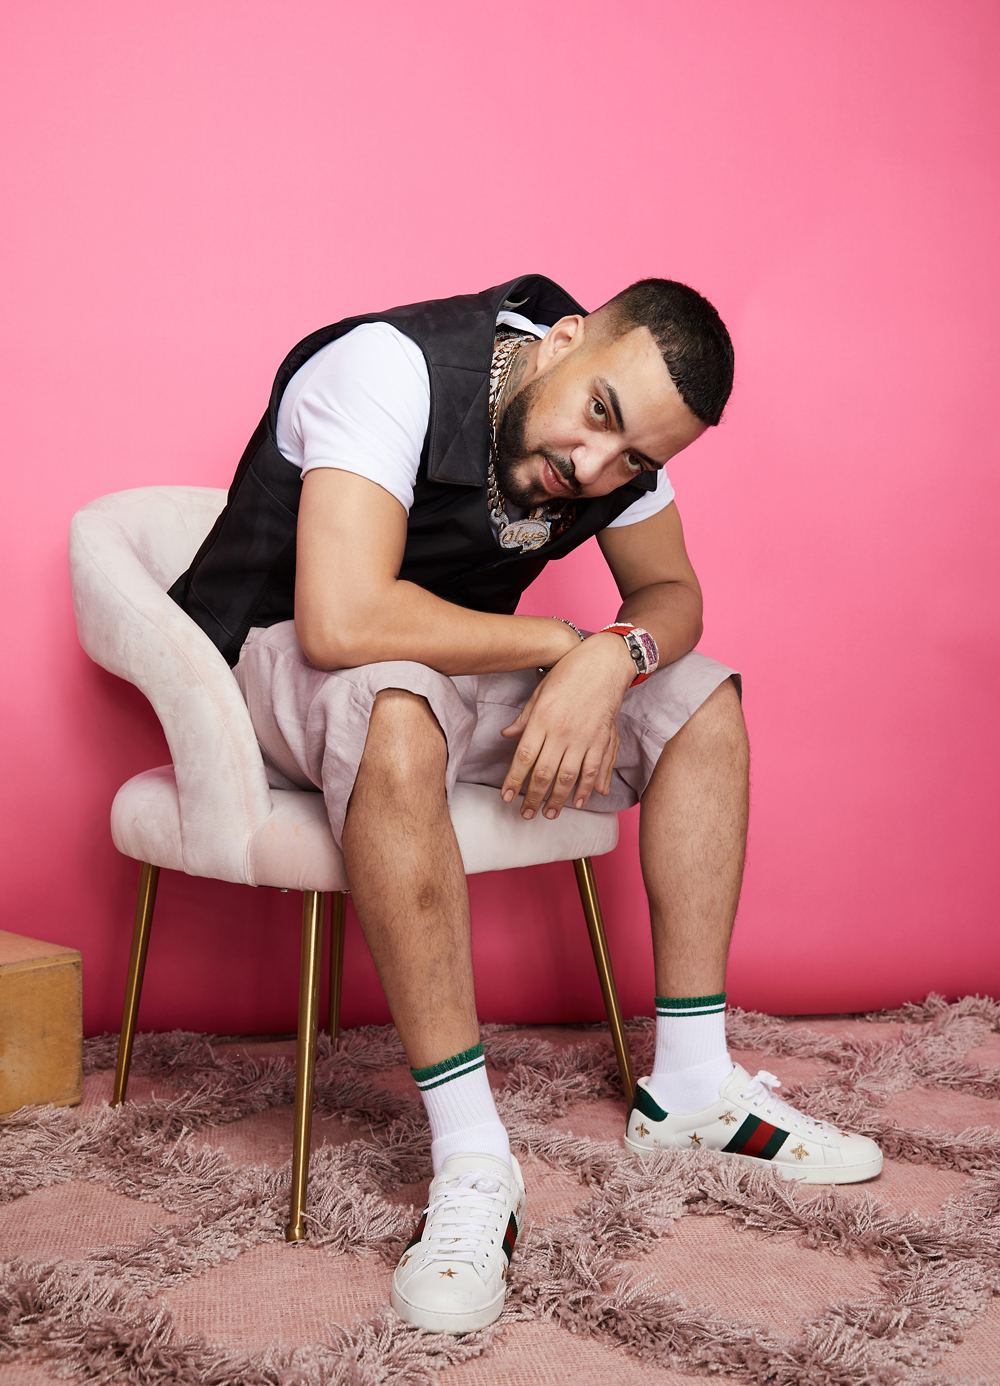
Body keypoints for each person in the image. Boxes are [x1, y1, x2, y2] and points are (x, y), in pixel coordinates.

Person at [170, 274, 882, 1335]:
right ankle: (471, 1157)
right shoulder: (392, 367)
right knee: (396, 702)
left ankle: (690, 1081)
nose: (596, 469)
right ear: (563, 341)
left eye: (635, 458)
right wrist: (569, 646)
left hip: (439, 674)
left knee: (699, 700)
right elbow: (341, 618)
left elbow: (673, 598)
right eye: (599, 418)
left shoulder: (614, 435)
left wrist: (622, 657)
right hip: (278, 671)